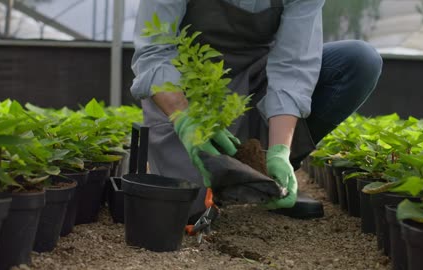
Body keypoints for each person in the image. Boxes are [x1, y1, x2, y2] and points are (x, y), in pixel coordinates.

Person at [130, 0, 383, 220]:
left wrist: (280, 151)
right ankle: (233, 177)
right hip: (185, 93)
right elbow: (154, 54)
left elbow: (292, 67)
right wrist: (185, 121)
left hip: (255, 83)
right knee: (191, 207)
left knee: (358, 61)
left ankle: (270, 179)